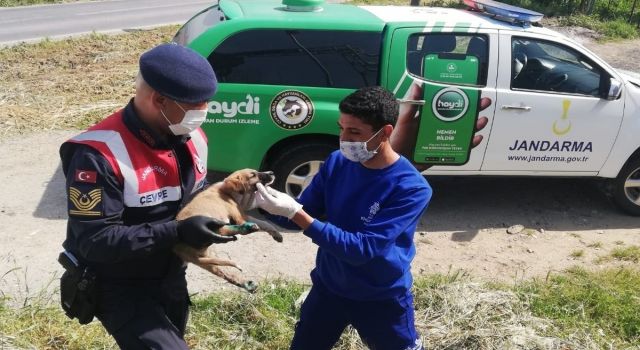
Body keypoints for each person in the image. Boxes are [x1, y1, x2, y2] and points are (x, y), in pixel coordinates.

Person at [59, 43, 234, 349]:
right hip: (120, 285)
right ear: (160, 100)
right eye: (195, 105)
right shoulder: (98, 155)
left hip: (171, 273)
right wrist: (177, 231)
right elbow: (94, 240)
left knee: (174, 337)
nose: (203, 112)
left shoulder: (193, 138)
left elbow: (197, 197)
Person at [254, 86, 433, 350]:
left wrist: (296, 213)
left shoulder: (411, 188)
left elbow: (362, 249)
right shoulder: (338, 162)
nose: (344, 138)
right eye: (341, 128)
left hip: (380, 295)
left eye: (354, 132)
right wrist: (263, 204)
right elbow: (303, 211)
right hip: (329, 287)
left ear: (385, 132)